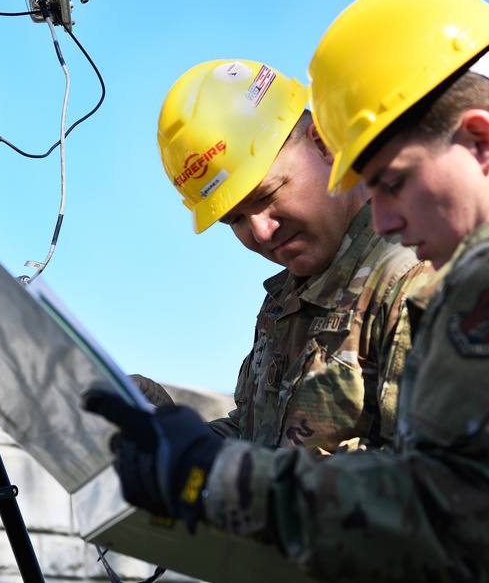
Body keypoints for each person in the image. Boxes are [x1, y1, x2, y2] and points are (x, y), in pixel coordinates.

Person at [84, 0, 489, 581]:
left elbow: (447, 521)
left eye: (392, 181)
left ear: (482, 140)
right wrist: (179, 438)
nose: (381, 217)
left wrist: (215, 479)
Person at [139, 58, 432, 455]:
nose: (261, 231)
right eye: (235, 219)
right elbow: (257, 438)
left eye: (267, 195)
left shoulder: (413, 279)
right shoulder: (287, 302)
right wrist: (176, 440)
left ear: (323, 144)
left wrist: (251, 486)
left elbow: (434, 483)